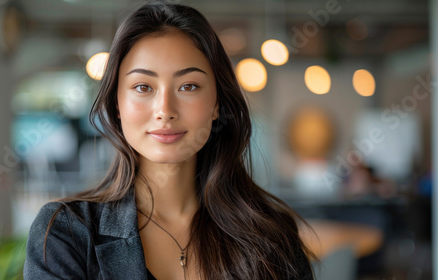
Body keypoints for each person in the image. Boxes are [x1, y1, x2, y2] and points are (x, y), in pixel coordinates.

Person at [24, 1, 316, 279]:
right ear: (117, 103)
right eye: (143, 87)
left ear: (216, 104)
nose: (165, 110)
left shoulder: (271, 233)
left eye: (188, 86)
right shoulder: (68, 233)